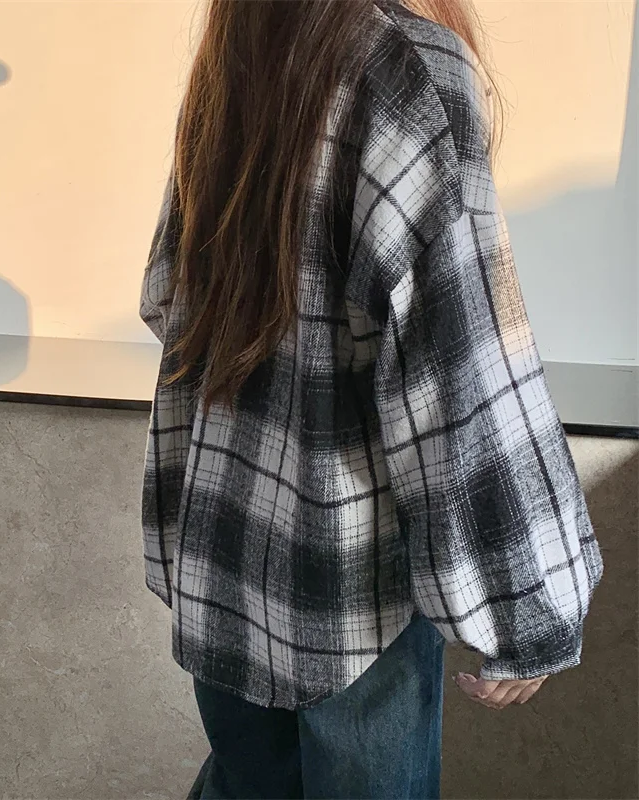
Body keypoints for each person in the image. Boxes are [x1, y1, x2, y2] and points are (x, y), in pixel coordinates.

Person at [139, 1, 603, 798]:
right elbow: (460, 376)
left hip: (223, 560)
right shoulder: (408, 69)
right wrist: (526, 610)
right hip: (352, 597)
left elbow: (166, 296)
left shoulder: (241, 49)